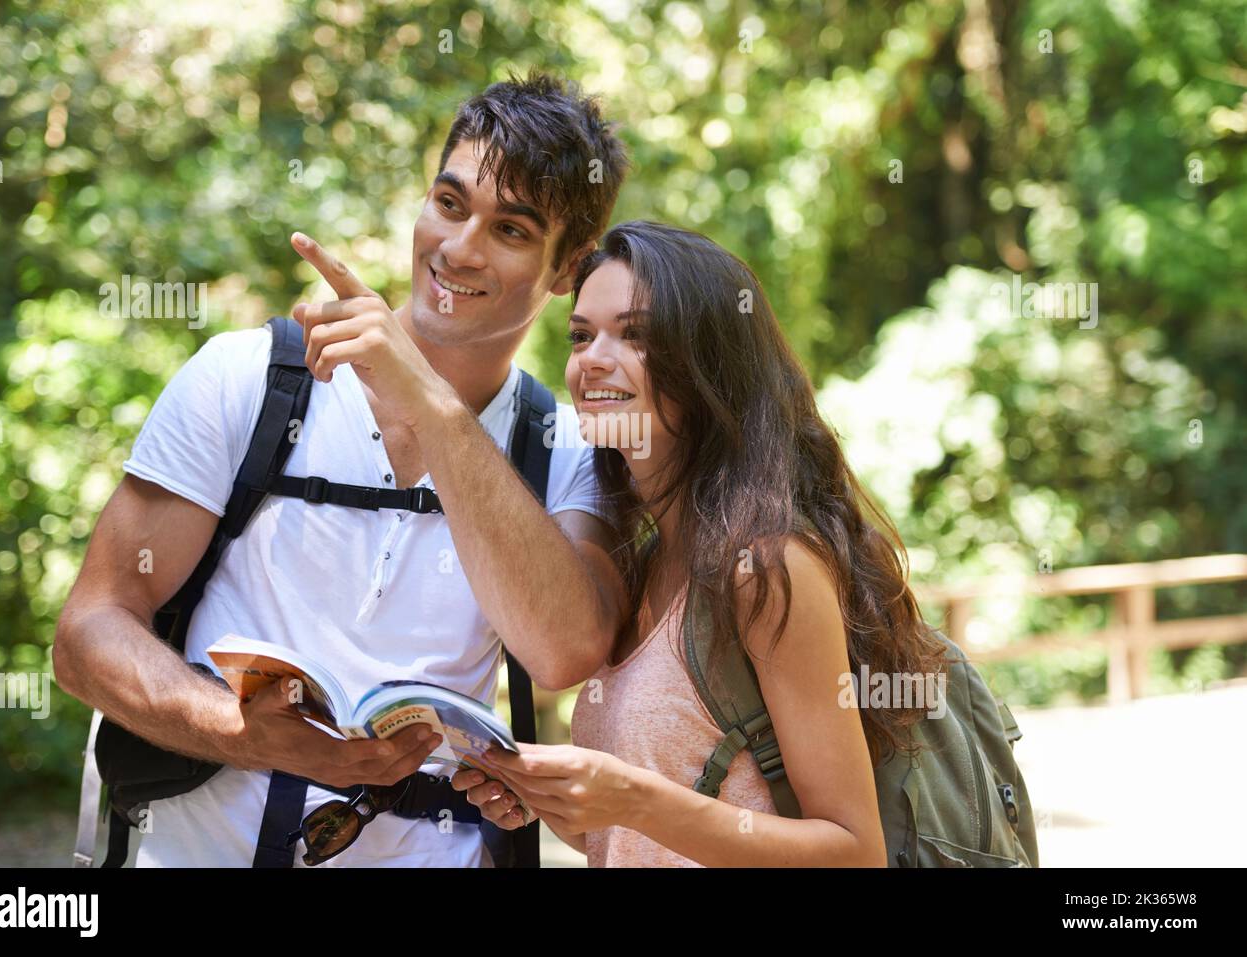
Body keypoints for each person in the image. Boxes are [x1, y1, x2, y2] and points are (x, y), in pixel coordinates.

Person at [53, 72, 631, 867]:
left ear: (568, 270)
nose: (458, 248)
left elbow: (566, 651)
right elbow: (87, 632)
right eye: (451, 204)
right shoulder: (246, 377)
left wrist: (433, 406)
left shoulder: (565, 449)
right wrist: (237, 729)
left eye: (513, 230)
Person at [453, 221, 951, 866]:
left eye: (635, 335)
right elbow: (656, 827)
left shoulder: (768, 568)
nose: (592, 358)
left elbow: (853, 853)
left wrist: (633, 799)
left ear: (707, 362)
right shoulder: (638, 564)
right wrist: (554, 800)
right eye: (581, 335)